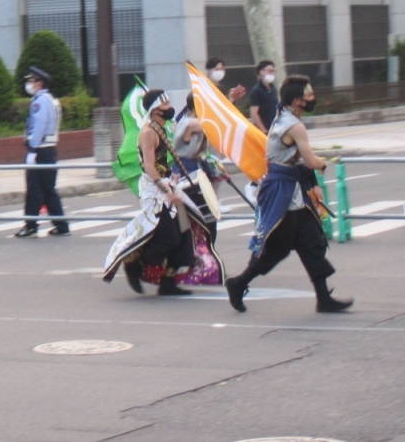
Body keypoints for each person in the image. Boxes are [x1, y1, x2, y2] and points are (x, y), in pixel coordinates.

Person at [226, 75, 353, 313]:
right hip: (281, 192)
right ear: (297, 101)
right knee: (277, 247)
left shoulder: (285, 115)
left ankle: (323, 298)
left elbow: (298, 161)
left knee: (312, 242)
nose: (313, 98)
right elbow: (309, 160)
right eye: (309, 95)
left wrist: (312, 183)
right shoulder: (294, 125)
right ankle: (238, 283)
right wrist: (322, 164)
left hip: (293, 189)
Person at [102, 90, 223, 296]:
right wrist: (166, 189)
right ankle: (134, 263)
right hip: (155, 191)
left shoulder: (161, 128)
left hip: (167, 185)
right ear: (154, 109)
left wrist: (171, 177)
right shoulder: (149, 132)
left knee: (185, 237)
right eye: (165, 104)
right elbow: (149, 165)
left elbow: (163, 161)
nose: (169, 107)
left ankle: (168, 283)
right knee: (169, 238)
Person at [15, 66, 69, 238]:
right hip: (49, 149)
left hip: (40, 150)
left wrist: (32, 149)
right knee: (48, 189)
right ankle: (61, 226)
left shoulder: (40, 102)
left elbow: (38, 126)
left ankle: (31, 226)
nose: (29, 84)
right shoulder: (51, 99)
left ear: (40, 83)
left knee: (34, 190)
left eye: (31, 81)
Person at [171, 96, 224, 242]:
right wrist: (227, 104)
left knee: (207, 218)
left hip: (197, 169)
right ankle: (198, 248)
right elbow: (213, 124)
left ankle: (205, 247)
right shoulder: (189, 123)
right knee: (197, 217)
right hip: (187, 171)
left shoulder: (194, 120)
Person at [249, 60, 279, 132]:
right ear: (261, 72)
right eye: (270, 71)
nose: (272, 73)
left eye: (273, 71)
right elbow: (254, 113)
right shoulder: (256, 90)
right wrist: (264, 130)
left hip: (275, 128)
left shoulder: (273, 89)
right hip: (265, 129)